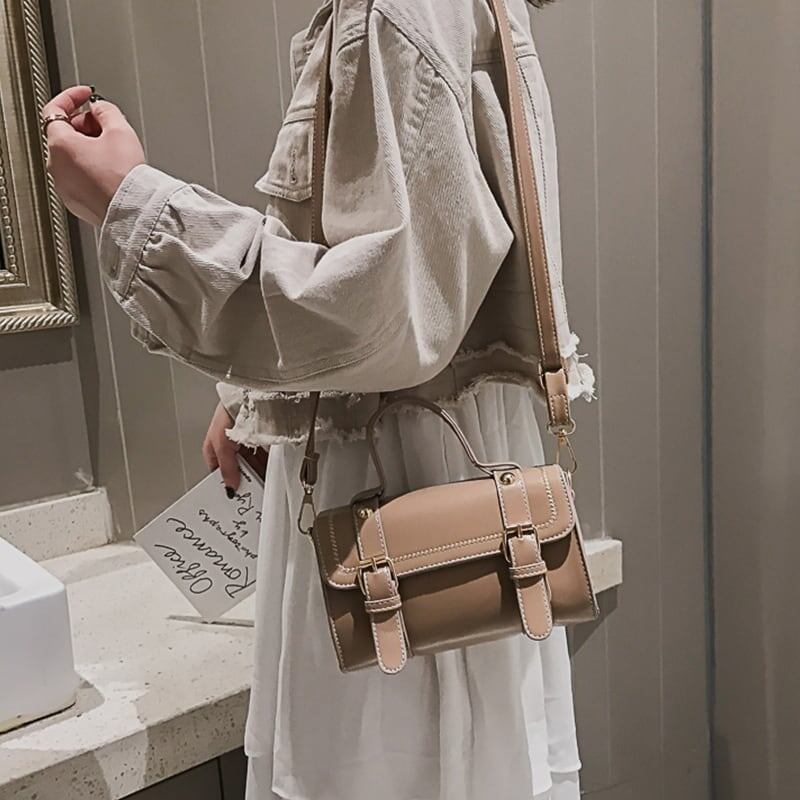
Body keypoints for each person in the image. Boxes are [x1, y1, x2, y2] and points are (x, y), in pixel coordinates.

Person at [44, 0, 596, 797]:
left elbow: (383, 313)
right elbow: (418, 275)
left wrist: (129, 204)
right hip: (438, 484)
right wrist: (255, 395)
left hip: (389, 506)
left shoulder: (397, 10)